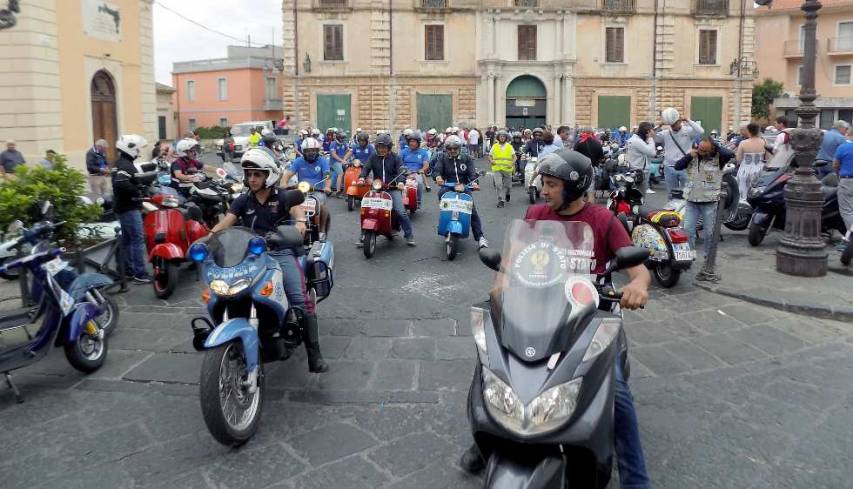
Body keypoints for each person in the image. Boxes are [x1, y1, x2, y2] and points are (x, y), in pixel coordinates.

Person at [459, 149, 651, 489]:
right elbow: (510, 261)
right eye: (543, 184)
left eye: (551, 185)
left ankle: (637, 479)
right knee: (495, 369)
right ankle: (485, 437)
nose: (543, 191)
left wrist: (637, 286)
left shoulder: (603, 220)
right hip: (535, 308)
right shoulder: (535, 214)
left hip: (592, 315)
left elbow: (639, 273)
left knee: (617, 392)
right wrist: (500, 283)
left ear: (574, 189)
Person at [211, 148, 329, 373]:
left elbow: (298, 215)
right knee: (226, 290)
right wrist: (206, 239)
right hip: (249, 256)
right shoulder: (242, 200)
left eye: (257, 174)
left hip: (280, 253)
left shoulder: (283, 196)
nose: (252, 179)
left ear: (269, 175)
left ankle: (315, 355)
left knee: (300, 300)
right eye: (249, 174)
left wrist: (298, 226)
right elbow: (225, 223)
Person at [674, 136, 736, 259]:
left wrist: (715, 147)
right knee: (688, 230)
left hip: (709, 201)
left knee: (709, 232)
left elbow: (730, 153)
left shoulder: (719, 158)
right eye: (699, 148)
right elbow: (677, 166)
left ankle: (708, 256)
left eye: (704, 150)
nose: (700, 152)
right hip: (692, 199)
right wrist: (689, 156)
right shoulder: (692, 156)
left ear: (712, 149)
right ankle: (690, 254)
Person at [357, 133, 416, 246]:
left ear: (389, 147)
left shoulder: (396, 157)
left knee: (400, 211)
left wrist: (400, 182)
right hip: (377, 188)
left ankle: (409, 235)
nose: (382, 150)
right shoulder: (373, 157)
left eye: (384, 147)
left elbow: (401, 171)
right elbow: (366, 168)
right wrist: (361, 178)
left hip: (392, 188)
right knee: (366, 209)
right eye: (379, 147)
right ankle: (364, 234)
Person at [433, 135, 489, 248]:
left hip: (464, 187)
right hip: (448, 186)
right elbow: (436, 171)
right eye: (450, 148)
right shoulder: (443, 158)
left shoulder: (466, 158)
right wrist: (438, 177)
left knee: (472, 211)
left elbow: (472, 173)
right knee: (441, 197)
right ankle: (446, 224)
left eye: (455, 148)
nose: (452, 150)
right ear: (446, 149)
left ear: (459, 148)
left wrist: (474, 183)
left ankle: (480, 237)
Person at [111, 135, 153, 284]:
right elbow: (121, 182)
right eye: (137, 148)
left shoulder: (120, 163)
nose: (138, 150)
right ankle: (140, 273)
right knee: (137, 240)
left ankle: (127, 271)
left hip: (122, 207)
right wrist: (138, 191)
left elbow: (122, 182)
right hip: (128, 208)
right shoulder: (125, 165)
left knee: (127, 241)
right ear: (130, 148)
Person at [655, 108, 704, 198]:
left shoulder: (688, 131)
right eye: (671, 125)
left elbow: (701, 131)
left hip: (685, 167)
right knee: (671, 194)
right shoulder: (665, 133)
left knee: (688, 194)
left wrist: (688, 120)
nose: (673, 126)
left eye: (675, 123)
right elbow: (652, 136)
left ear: (679, 121)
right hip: (669, 168)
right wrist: (660, 125)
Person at [735, 122, 772, 200]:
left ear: (748, 131)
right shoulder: (764, 142)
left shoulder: (743, 143)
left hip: (745, 170)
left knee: (743, 193)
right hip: (760, 171)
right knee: (757, 194)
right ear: (758, 131)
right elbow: (768, 158)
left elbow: (738, 159)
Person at [625, 122, 658, 194]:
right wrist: (650, 138)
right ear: (647, 131)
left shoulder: (634, 140)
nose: (653, 132)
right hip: (639, 171)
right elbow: (652, 153)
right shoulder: (637, 141)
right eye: (651, 130)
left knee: (635, 195)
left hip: (635, 170)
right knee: (639, 196)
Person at [399, 130, 430, 206]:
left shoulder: (423, 152)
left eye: (414, 141)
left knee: (419, 183)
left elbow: (426, 164)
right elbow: (399, 162)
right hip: (404, 172)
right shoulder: (403, 151)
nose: (411, 143)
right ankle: (399, 201)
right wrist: (402, 169)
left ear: (418, 143)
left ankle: (418, 201)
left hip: (417, 173)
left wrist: (422, 170)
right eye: (410, 141)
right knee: (399, 184)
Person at [488, 130, 516, 208]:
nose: (502, 138)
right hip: (497, 169)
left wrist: (512, 163)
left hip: (507, 169)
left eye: (504, 136)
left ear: (506, 138)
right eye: (501, 136)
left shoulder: (509, 146)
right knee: (498, 185)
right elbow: (489, 155)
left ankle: (508, 193)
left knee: (508, 186)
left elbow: (515, 157)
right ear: (498, 137)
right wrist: (491, 160)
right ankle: (501, 200)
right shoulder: (495, 146)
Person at [834, 138, 853, 240]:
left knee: (847, 211)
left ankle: (851, 238)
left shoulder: (843, 147)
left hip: (847, 181)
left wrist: (838, 177)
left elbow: (835, 165)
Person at [329, 130, 350, 197]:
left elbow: (348, 151)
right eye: (342, 138)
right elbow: (333, 154)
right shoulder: (333, 144)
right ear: (338, 138)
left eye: (344, 138)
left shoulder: (344, 143)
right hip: (334, 162)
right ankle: (338, 192)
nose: (343, 139)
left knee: (348, 171)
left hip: (341, 161)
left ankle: (344, 187)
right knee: (340, 173)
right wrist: (342, 160)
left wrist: (346, 158)